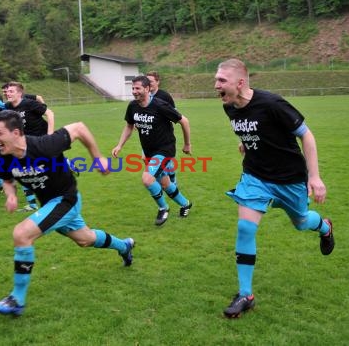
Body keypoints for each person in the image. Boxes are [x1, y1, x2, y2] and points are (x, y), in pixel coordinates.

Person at [214, 58, 334, 318]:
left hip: (289, 178)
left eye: (221, 80)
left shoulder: (271, 104)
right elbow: (252, 130)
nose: (216, 85)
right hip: (255, 176)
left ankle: (324, 227)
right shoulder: (230, 106)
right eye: (216, 80)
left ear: (240, 82)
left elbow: (306, 135)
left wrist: (315, 177)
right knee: (245, 227)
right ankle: (246, 294)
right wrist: (247, 143)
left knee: (302, 222)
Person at [0, 110, 135, 316]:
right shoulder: (1, 155)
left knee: (22, 234)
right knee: (86, 239)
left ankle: (16, 300)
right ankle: (124, 246)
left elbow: (79, 127)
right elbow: (7, 180)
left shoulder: (44, 146)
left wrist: (98, 158)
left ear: (16, 132)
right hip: (50, 205)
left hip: (66, 200)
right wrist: (11, 195)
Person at [112, 75, 193, 226]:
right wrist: (119, 145)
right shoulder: (132, 106)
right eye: (133, 88)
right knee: (165, 184)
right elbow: (129, 126)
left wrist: (187, 144)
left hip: (164, 150)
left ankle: (163, 208)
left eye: (138, 88)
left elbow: (184, 121)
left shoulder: (160, 105)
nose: (134, 91)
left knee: (147, 179)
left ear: (147, 88)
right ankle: (185, 203)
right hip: (149, 151)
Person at [4, 81, 55, 212]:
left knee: (44, 170)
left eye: (11, 91)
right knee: (22, 169)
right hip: (26, 143)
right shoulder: (8, 107)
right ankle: (32, 204)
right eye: (7, 91)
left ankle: (65, 165)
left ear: (20, 93)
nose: (8, 93)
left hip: (41, 139)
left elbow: (50, 113)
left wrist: (50, 135)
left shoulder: (29, 103)